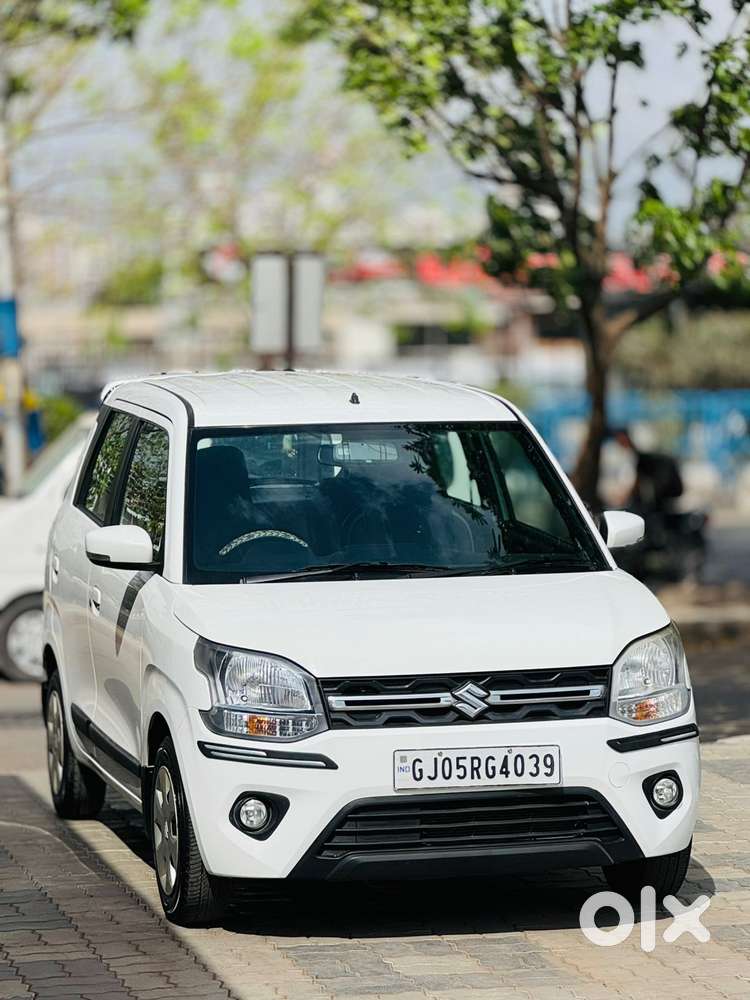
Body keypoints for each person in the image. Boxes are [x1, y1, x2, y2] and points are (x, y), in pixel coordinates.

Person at [610, 427, 683, 515]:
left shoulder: (640, 454)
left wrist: (625, 497)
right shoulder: (636, 455)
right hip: (664, 491)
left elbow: (636, 481)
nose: (619, 444)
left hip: (664, 490)